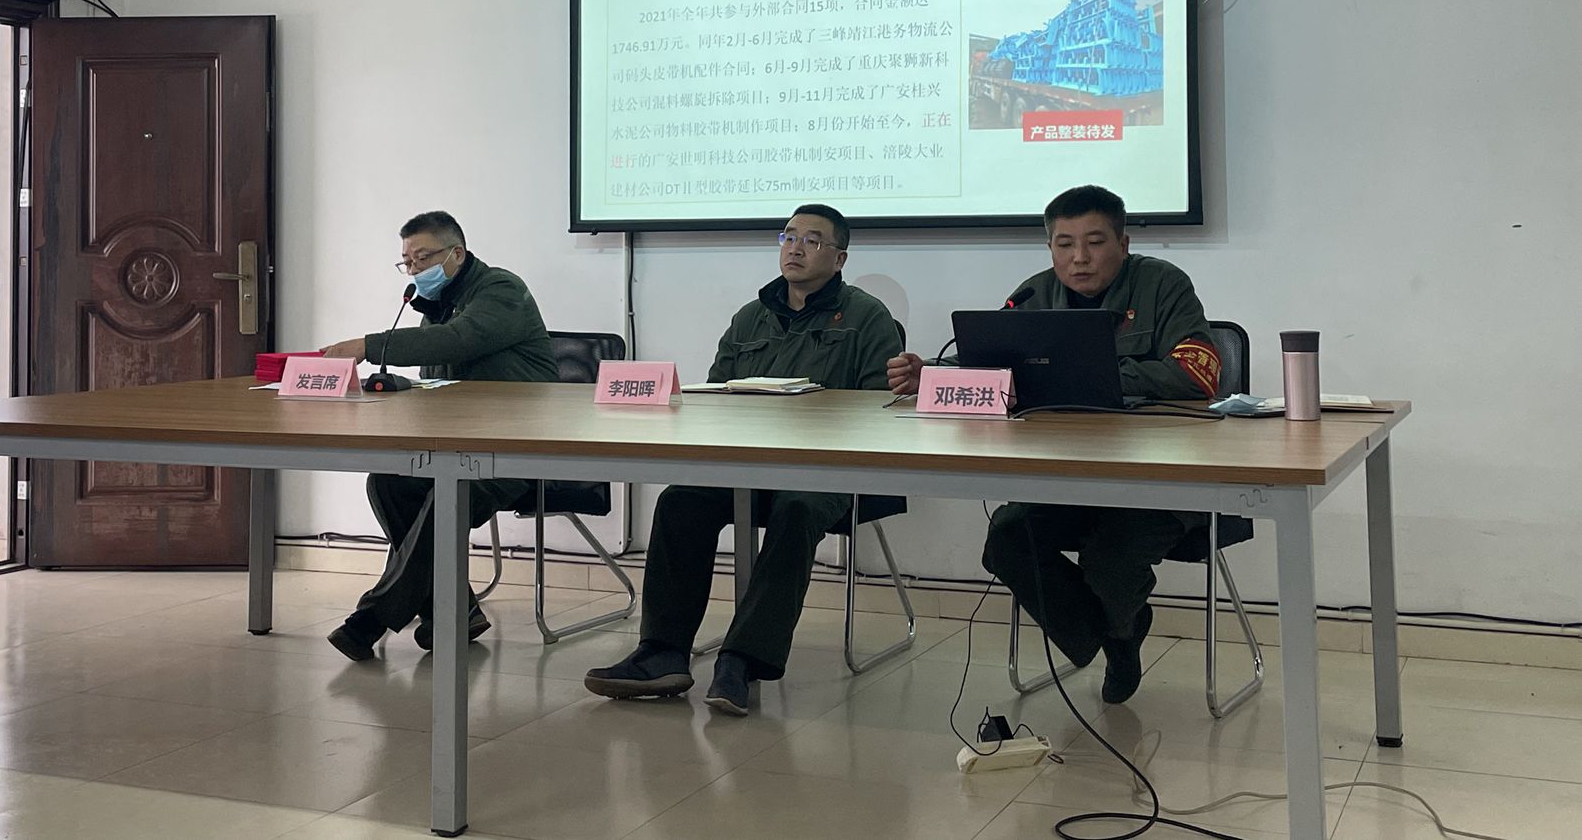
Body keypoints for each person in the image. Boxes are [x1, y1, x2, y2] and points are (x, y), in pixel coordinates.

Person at [887, 184, 1221, 703]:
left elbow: (1198, 375)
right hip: (1068, 477)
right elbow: (990, 365)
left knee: (1109, 558)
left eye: (1095, 242)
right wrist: (930, 372)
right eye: (1065, 244)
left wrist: (1093, 376)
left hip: (1158, 481)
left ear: (1123, 243)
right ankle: (1117, 632)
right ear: (1050, 248)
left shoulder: (1162, 285)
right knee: (1007, 538)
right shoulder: (1032, 296)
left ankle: (1118, 630)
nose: (1079, 257)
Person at [584, 204, 903, 717]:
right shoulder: (751, 316)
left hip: (824, 470)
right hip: (746, 465)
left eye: (812, 240)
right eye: (789, 237)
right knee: (681, 500)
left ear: (840, 258)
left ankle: (742, 658)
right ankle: (662, 652)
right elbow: (716, 396)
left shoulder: (868, 317)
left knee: (797, 507)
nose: (795, 248)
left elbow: (879, 409)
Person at [319, 211, 558, 661]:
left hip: (518, 449)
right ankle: (455, 610)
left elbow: (456, 341)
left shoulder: (501, 290)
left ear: (457, 254)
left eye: (423, 257)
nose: (414, 269)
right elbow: (437, 386)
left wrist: (368, 347)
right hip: (458, 447)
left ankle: (371, 618)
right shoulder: (437, 309)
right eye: (407, 261)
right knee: (388, 482)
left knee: (447, 493)